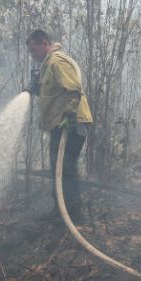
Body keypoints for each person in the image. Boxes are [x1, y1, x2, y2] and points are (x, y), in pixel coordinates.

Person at [25, 30, 93, 224]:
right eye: (30, 51)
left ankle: (75, 215)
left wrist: (70, 116)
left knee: (66, 167)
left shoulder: (57, 62)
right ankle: (60, 211)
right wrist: (35, 88)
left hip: (72, 123)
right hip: (59, 124)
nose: (33, 54)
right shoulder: (47, 66)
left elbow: (73, 89)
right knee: (57, 167)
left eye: (34, 49)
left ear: (45, 43)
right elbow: (53, 94)